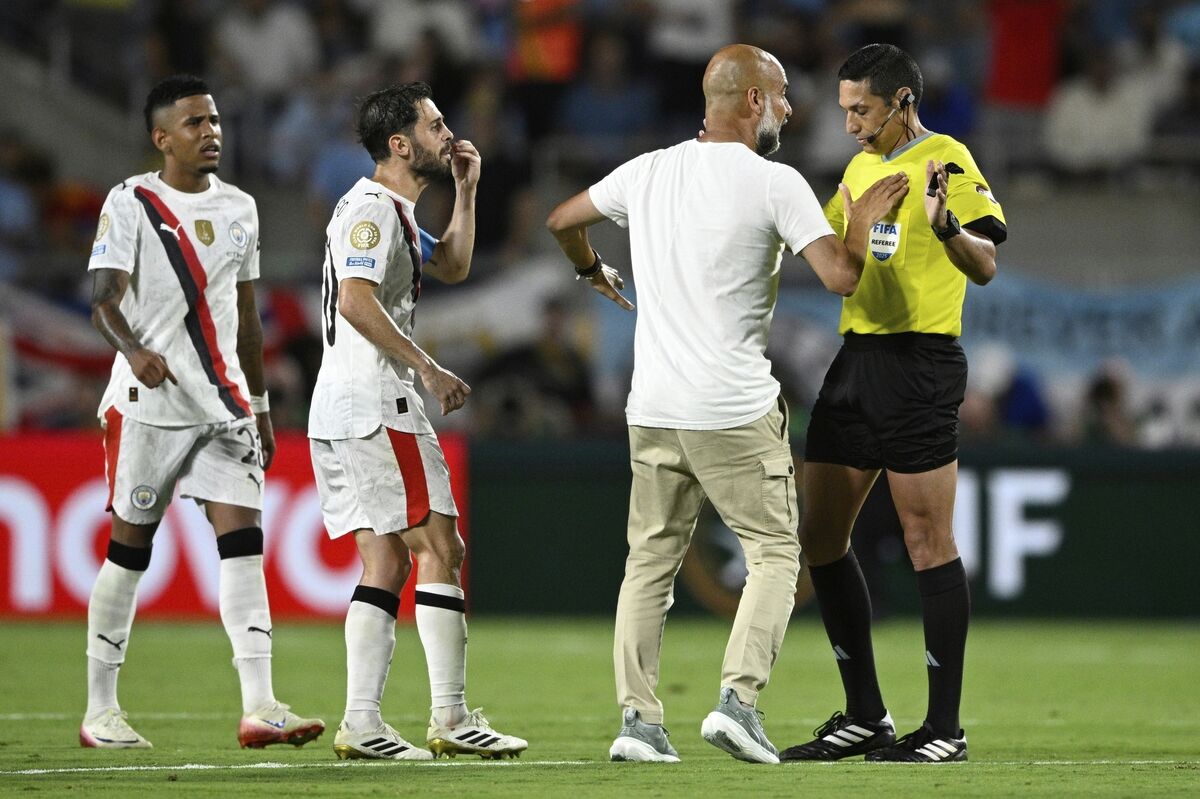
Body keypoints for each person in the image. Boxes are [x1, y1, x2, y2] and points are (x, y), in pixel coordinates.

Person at [546, 43, 907, 764]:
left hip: (651, 405)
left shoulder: (647, 171)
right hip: (731, 408)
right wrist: (862, 219)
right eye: (780, 95)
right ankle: (739, 701)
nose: (789, 109)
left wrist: (589, 267)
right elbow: (840, 275)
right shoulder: (774, 182)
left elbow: (561, 218)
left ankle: (638, 721)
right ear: (750, 102)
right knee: (776, 551)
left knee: (648, 562)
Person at [779, 43, 1006, 765]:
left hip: (920, 362)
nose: (848, 123)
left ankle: (945, 728)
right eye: (844, 108)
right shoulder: (855, 168)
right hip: (857, 362)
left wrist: (946, 228)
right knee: (819, 536)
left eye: (862, 109)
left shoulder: (947, 158)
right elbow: (828, 259)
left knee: (925, 541)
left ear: (903, 102)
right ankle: (865, 714)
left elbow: (988, 262)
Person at [82, 75, 324, 750]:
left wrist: (263, 404)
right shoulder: (130, 202)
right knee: (129, 553)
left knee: (242, 543)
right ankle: (101, 709)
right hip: (149, 402)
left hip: (225, 404)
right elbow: (102, 299)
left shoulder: (242, 208)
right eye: (194, 123)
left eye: (214, 120)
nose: (211, 131)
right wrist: (132, 351)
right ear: (162, 138)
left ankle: (261, 705)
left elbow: (246, 318)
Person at [308, 81, 527, 762]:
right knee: (442, 548)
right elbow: (354, 300)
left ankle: (363, 722)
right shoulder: (372, 209)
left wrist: (466, 189)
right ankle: (452, 715)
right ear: (399, 145)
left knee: (387, 556)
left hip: (345, 403)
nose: (447, 134)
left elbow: (455, 265)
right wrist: (428, 367)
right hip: (377, 400)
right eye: (434, 126)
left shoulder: (393, 211)